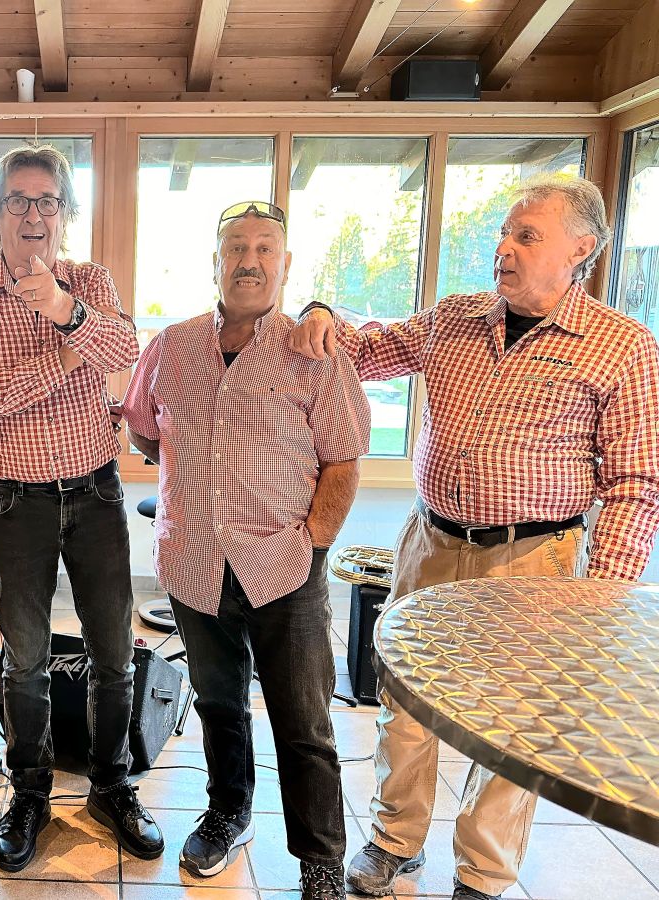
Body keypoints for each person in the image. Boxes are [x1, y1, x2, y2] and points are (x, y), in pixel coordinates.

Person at [290, 174, 659, 900]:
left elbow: (636, 483)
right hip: (431, 543)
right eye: (504, 233)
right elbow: (361, 351)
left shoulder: (622, 347)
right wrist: (318, 311)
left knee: (512, 727)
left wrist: (602, 599)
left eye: (527, 235)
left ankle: (482, 875)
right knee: (406, 705)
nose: (504, 248)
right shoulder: (454, 318)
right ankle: (394, 841)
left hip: (534, 560)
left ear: (580, 249)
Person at [121, 201, 369, 899]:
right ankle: (228, 812)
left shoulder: (313, 351)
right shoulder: (171, 346)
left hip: (284, 563)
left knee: (304, 721)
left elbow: (343, 458)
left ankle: (321, 862)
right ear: (216, 263)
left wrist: (312, 541)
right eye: (236, 247)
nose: (249, 260)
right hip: (194, 562)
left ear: (285, 265)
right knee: (219, 703)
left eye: (265, 248)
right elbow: (143, 428)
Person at [0, 144, 162, 872]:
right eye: (18, 200)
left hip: (96, 491)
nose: (33, 214)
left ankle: (112, 785)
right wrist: (66, 356)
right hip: (16, 500)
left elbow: (123, 348)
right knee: (26, 656)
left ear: (64, 214)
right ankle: (29, 792)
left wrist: (65, 310)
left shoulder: (88, 280)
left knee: (113, 650)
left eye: (47, 201)